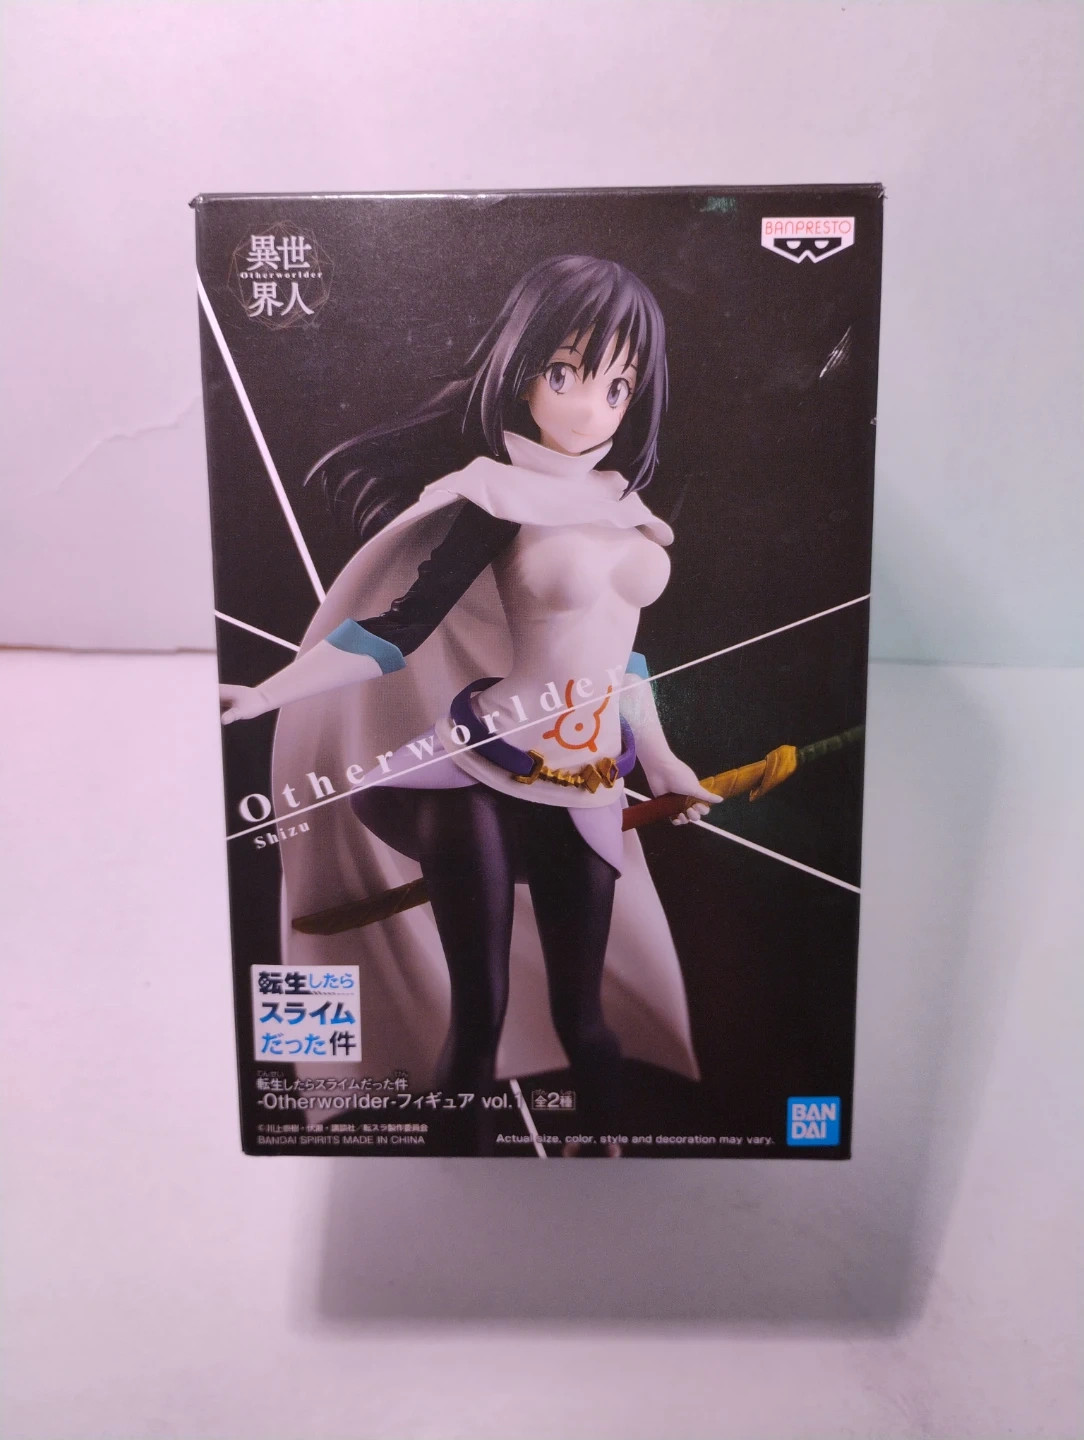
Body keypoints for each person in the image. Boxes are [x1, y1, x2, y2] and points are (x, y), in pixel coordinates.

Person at [220, 255, 719, 1150]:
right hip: (476, 777)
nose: (589, 407)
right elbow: (397, 631)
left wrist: (666, 762)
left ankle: (609, 1157)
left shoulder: (624, 505)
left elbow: (620, 664)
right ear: (524, 371)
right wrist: (267, 693)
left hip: (587, 783)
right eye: (566, 373)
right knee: (478, 1012)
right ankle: (452, 1168)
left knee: (586, 1016)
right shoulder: (495, 499)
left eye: (617, 385)